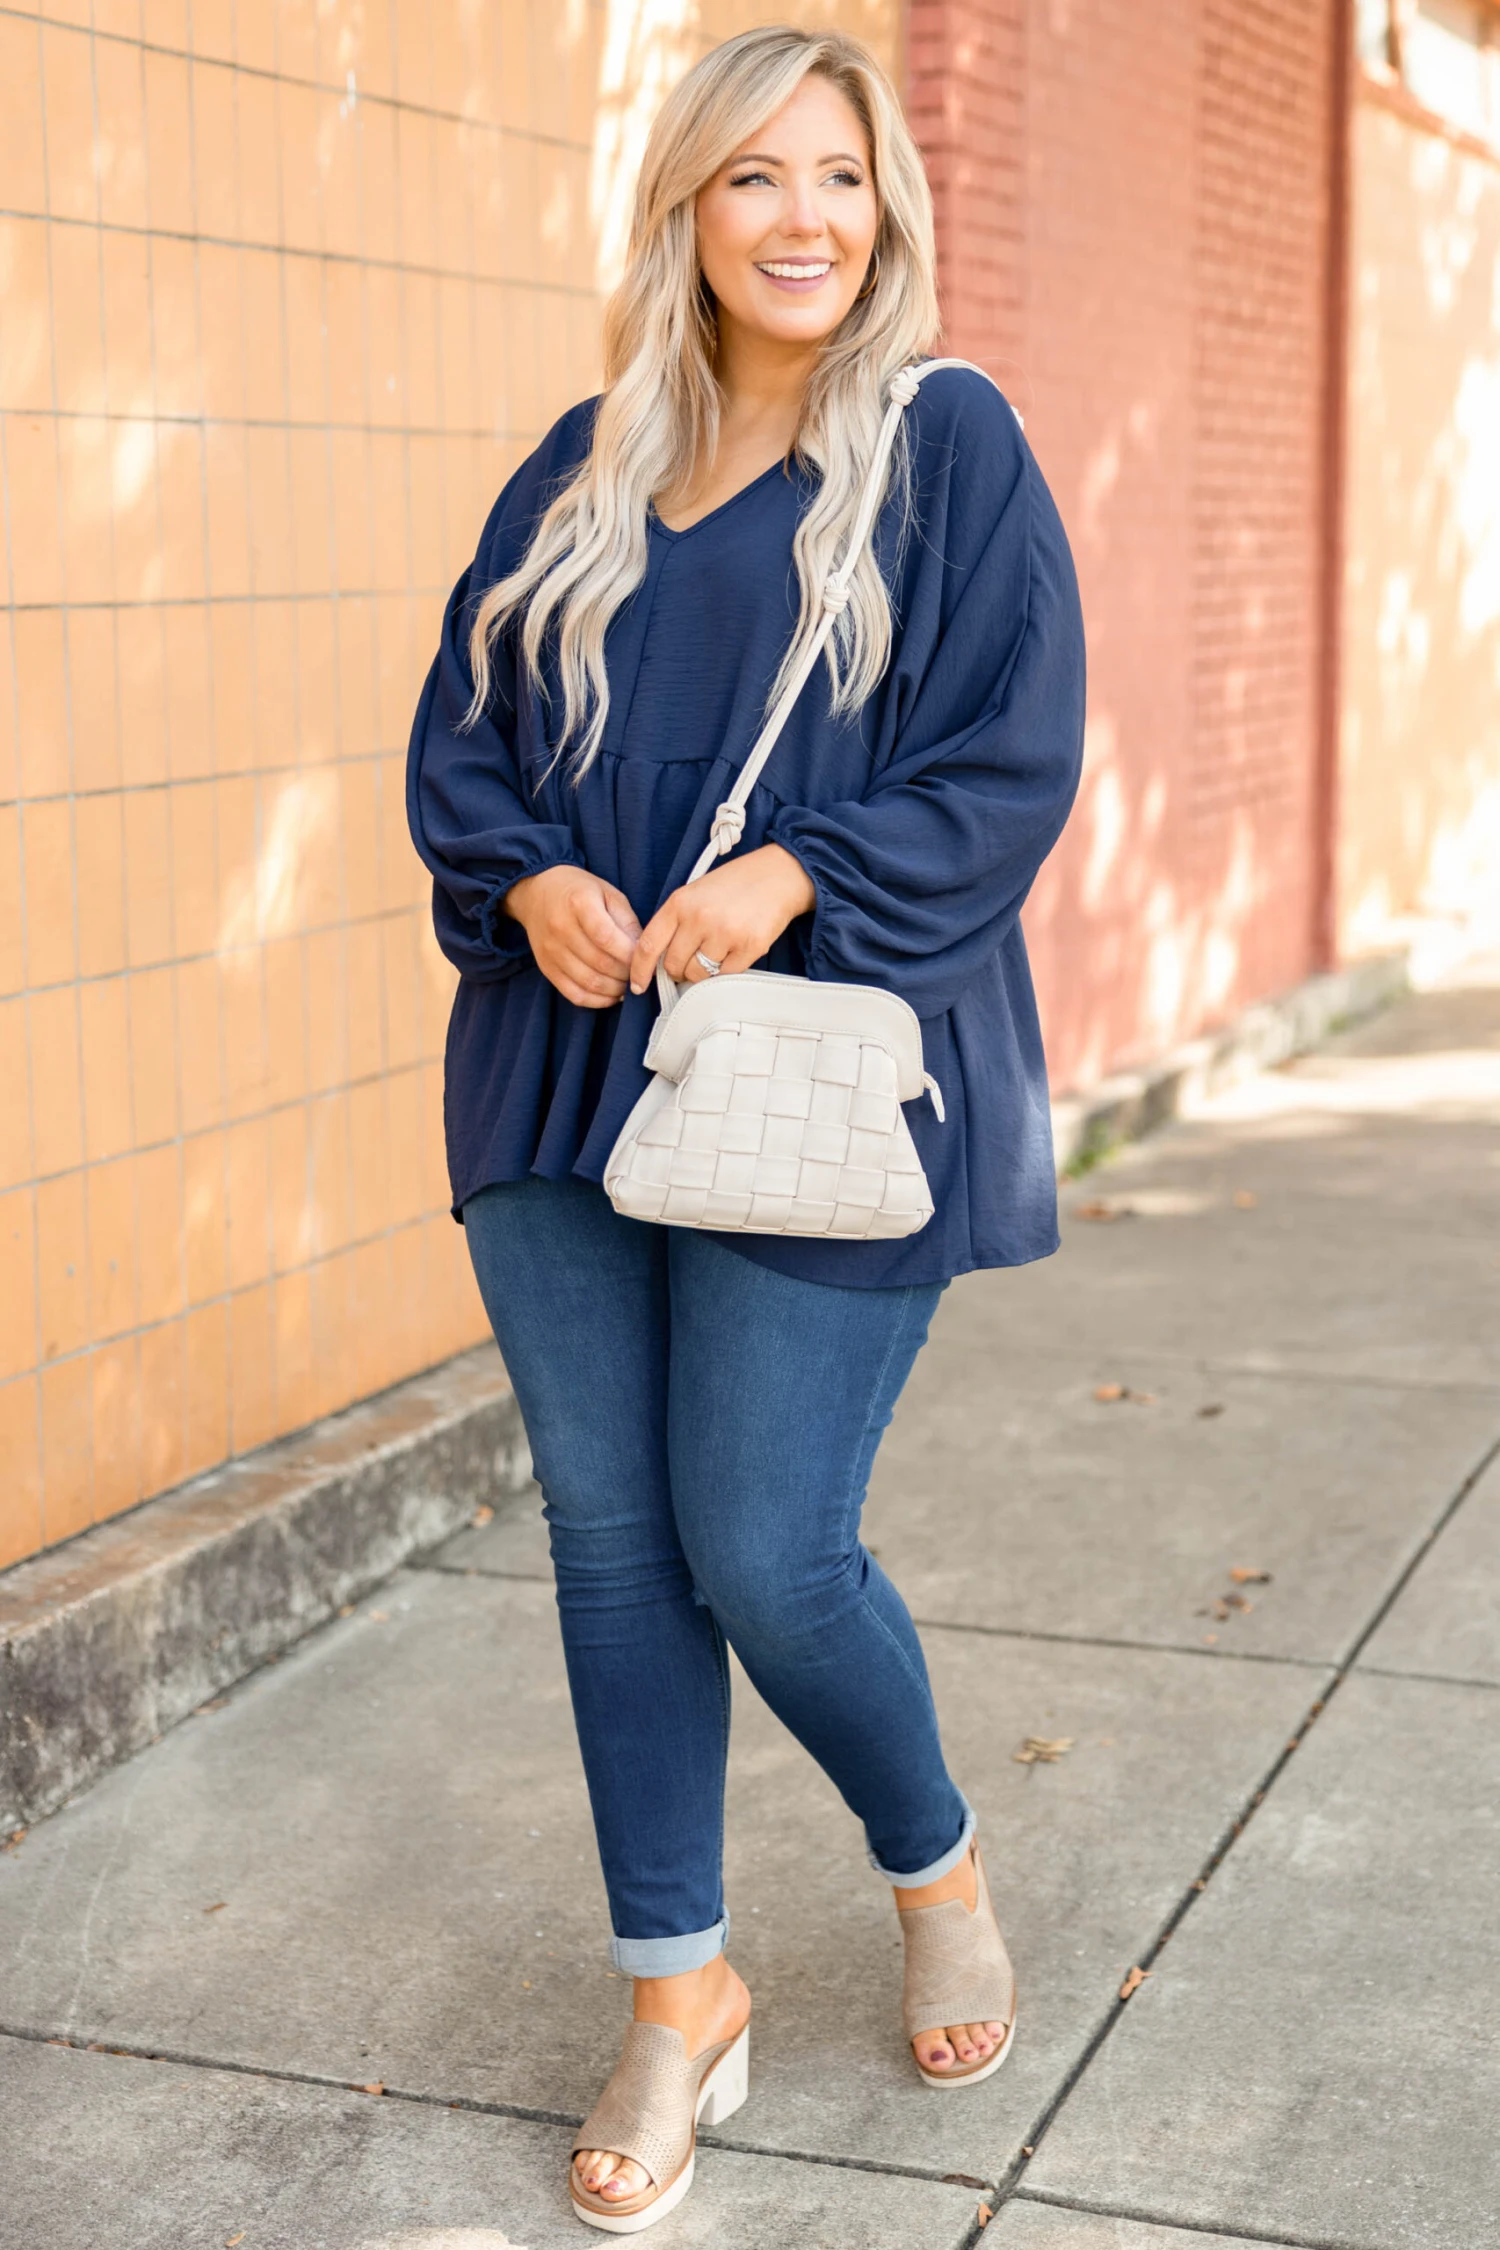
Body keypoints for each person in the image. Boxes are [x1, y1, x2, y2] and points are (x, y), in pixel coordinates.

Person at [407, 24, 1084, 2233]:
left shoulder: (946, 444)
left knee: (768, 1546)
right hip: (562, 1054)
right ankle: (677, 1991)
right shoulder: (584, 465)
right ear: (686, 212)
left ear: (888, 208)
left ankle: (933, 1861)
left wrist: (794, 872)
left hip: (822, 1062)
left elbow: (1012, 755)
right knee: (614, 1545)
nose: (806, 219)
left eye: (842, 177)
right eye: (755, 179)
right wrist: (528, 879)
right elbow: (464, 738)